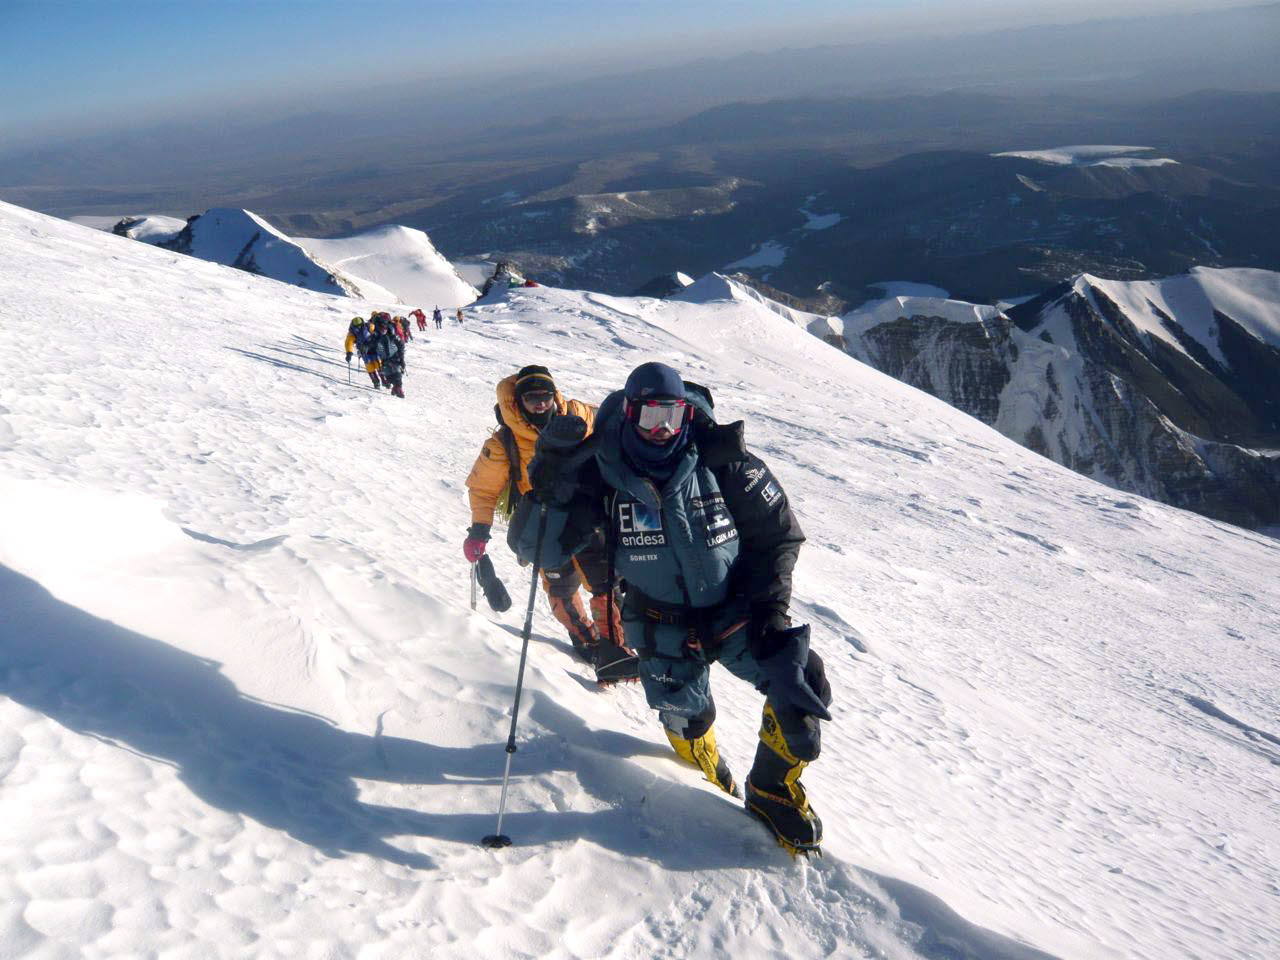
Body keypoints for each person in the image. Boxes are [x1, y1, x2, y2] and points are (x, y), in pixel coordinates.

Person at [524, 361, 832, 854]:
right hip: (658, 622)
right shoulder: (604, 472)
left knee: (801, 682)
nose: (663, 429)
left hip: (735, 611)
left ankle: (772, 790)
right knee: (686, 720)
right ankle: (703, 782)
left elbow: (778, 535)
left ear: (688, 413)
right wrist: (549, 485)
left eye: (672, 414)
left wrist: (770, 614)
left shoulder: (722, 458)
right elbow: (540, 551)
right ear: (629, 413)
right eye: (650, 417)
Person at [464, 365, 638, 684]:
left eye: (545, 397)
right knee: (561, 587)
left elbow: (613, 425)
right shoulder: (505, 441)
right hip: (543, 524)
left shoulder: (579, 414)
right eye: (532, 399)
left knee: (604, 584)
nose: (541, 405)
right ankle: (587, 641)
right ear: (519, 403)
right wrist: (479, 530)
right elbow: (483, 488)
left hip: (588, 517)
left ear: (554, 395)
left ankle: (615, 649)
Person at [370, 317, 405, 398]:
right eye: (382, 327)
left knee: (397, 372)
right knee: (388, 374)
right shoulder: (375, 336)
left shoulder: (392, 334)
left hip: (395, 356)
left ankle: (398, 388)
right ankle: (395, 387)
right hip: (384, 358)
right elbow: (371, 346)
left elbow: (401, 344)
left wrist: (401, 358)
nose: (384, 329)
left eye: (385, 327)